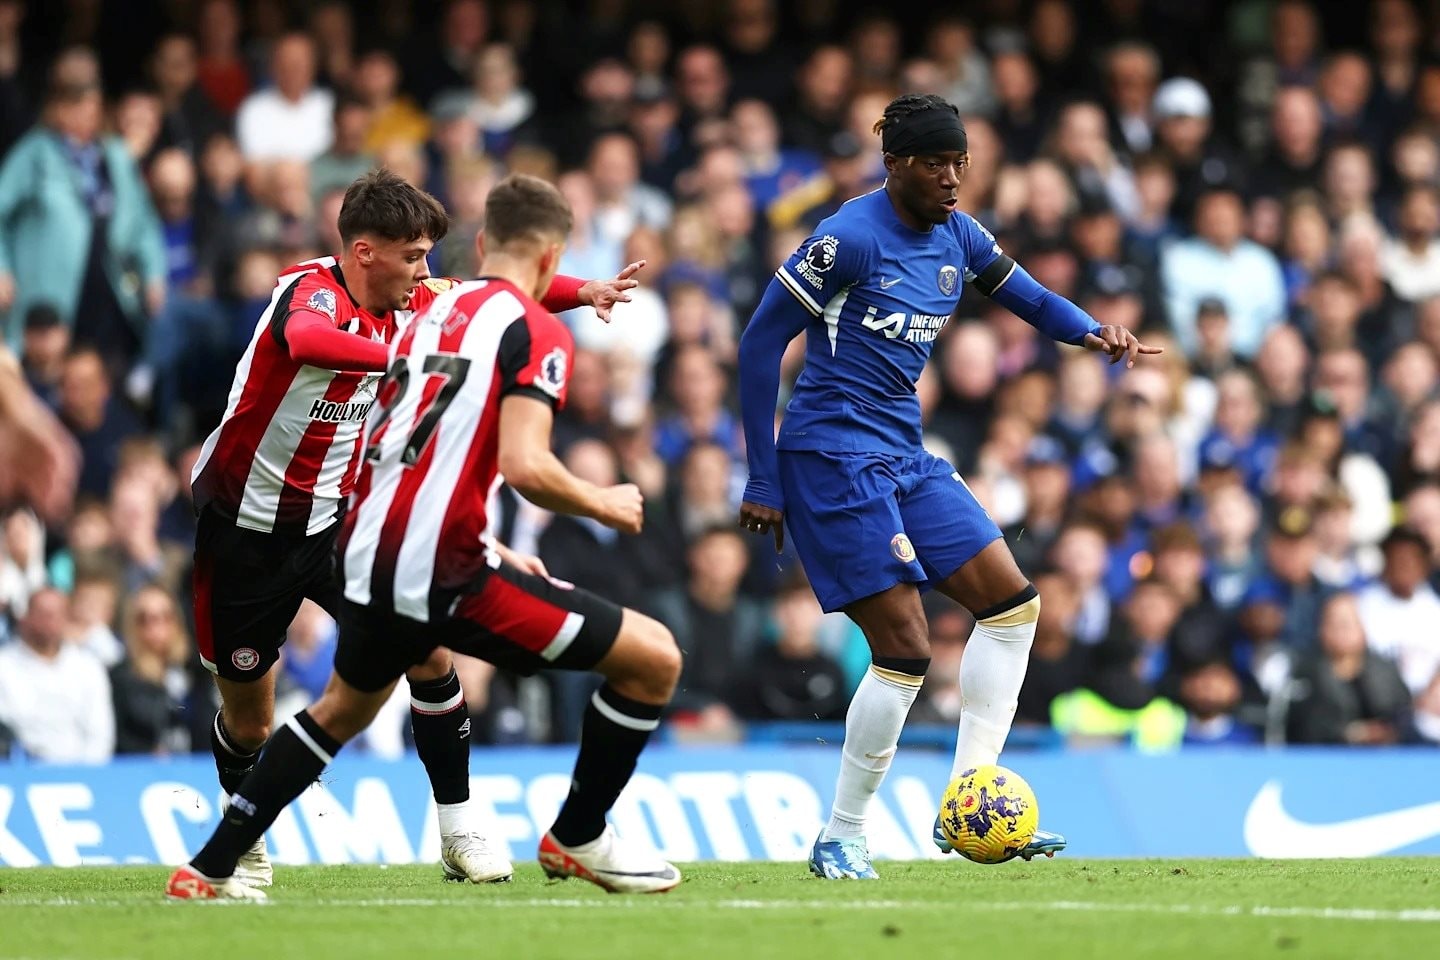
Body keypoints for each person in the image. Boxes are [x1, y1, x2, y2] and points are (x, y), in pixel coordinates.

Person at [167, 173, 683, 902]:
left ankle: (460, 824)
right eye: (412, 257)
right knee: (250, 716)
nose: (425, 274)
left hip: (342, 524)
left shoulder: (421, 297)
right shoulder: (310, 292)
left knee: (431, 654)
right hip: (245, 533)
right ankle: (238, 845)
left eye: (430, 257)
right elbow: (307, 339)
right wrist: (416, 364)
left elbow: (496, 292)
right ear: (364, 252)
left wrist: (586, 289)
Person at [737, 94, 1159, 879]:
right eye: (936, 163)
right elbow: (760, 346)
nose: (953, 178)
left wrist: (1091, 331)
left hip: (901, 451)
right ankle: (841, 834)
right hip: (829, 456)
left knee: (1012, 605)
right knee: (904, 647)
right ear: (895, 163)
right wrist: (763, 473)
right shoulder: (845, 240)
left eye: (960, 163)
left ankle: (970, 801)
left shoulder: (958, 234)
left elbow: (1027, 297)